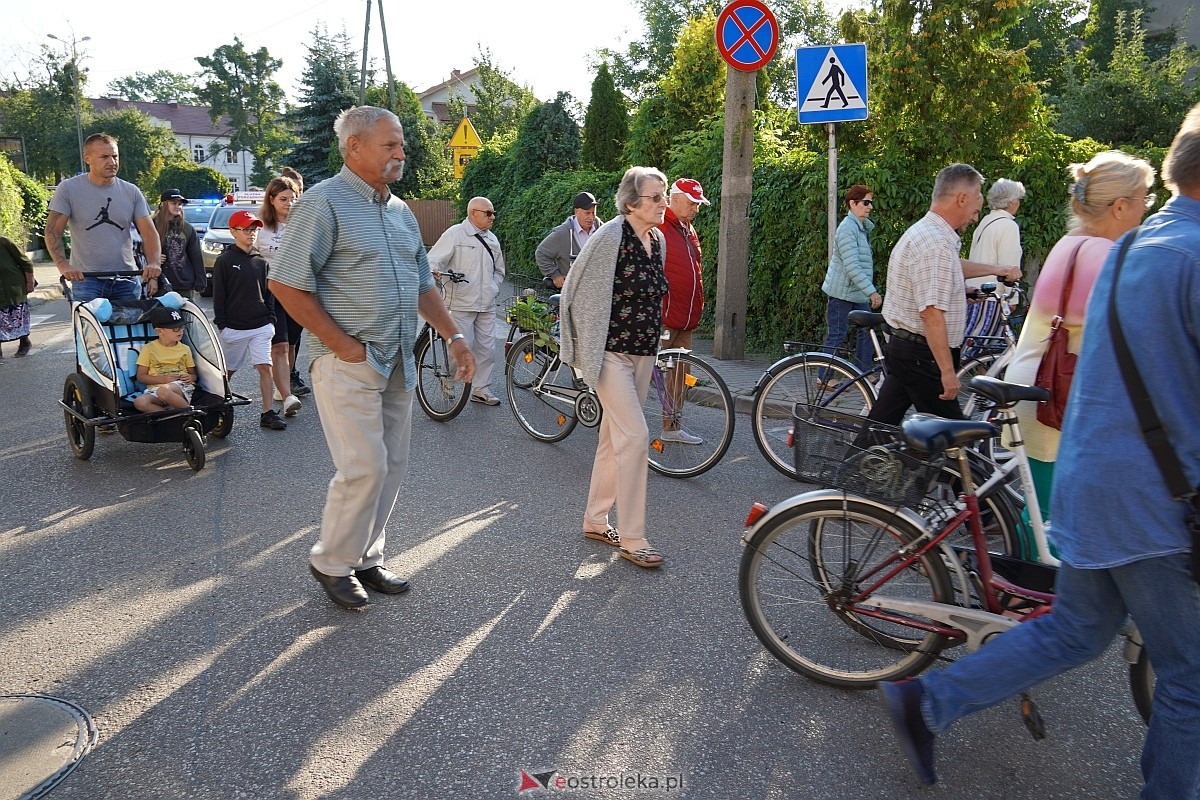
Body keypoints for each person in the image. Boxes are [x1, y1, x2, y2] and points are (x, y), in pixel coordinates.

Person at [880, 103, 1200, 799]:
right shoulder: (1165, 255)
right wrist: (950, 372)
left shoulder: (1119, 252)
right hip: (1144, 490)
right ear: (1118, 204)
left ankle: (928, 702)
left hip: (1098, 463)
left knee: (1076, 632)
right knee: (1190, 677)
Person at [267, 106, 475, 611]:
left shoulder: (400, 211)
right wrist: (341, 344)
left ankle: (365, 556)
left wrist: (453, 335)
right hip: (349, 361)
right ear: (354, 146)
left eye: (401, 144)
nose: (401, 153)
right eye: (391, 145)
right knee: (364, 466)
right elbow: (285, 282)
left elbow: (423, 284)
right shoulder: (322, 203)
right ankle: (331, 560)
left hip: (398, 357)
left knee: (392, 465)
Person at [1004, 152, 1154, 526]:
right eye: (1145, 199)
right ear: (1120, 206)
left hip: (1037, 385)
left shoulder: (1070, 242)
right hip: (1054, 393)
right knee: (1053, 519)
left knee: (1040, 513)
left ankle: (1017, 579)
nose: (1148, 209)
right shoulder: (1103, 256)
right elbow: (1128, 337)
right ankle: (1019, 581)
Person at [560, 166, 670, 570]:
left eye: (664, 195)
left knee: (614, 437)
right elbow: (572, 292)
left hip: (643, 353)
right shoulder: (609, 238)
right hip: (609, 355)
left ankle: (594, 519)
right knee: (636, 437)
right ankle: (633, 537)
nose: (662, 203)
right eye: (655, 197)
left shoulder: (656, 240)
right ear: (631, 204)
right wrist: (577, 351)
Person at [865, 164, 1022, 426]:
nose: (975, 217)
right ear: (961, 198)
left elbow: (950, 268)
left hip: (909, 351)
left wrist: (994, 272)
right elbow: (931, 313)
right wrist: (948, 373)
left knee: (880, 426)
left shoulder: (931, 233)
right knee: (954, 443)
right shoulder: (936, 244)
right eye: (975, 205)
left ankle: (855, 467)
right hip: (922, 355)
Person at [45, 133, 161, 302]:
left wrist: (154, 263)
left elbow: (149, 233)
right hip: (87, 280)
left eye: (115, 156)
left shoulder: (131, 191)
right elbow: (53, 231)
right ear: (88, 158)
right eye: (104, 157)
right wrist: (63, 266)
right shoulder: (69, 189)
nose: (112, 162)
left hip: (127, 277)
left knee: (130, 328)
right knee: (91, 328)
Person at [211, 209, 287, 432]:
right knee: (228, 372)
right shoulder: (224, 261)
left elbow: (269, 293)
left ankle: (267, 412)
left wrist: (270, 319)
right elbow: (219, 295)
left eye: (254, 229)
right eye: (246, 229)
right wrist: (222, 324)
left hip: (261, 325)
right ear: (233, 231)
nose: (251, 233)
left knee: (265, 366)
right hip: (233, 327)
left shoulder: (261, 261)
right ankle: (216, 407)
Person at [427, 196, 505, 405]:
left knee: (488, 350)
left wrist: (493, 288)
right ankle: (447, 376)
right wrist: (434, 270)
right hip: (460, 303)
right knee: (463, 345)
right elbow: (434, 259)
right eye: (488, 213)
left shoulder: (492, 239)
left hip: (486, 304)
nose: (492, 217)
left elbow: (499, 270)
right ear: (473, 213)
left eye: (493, 212)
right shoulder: (455, 234)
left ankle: (481, 389)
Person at [655, 177, 711, 444]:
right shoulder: (660, 227)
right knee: (645, 371)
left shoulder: (688, 228)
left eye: (698, 204)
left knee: (679, 376)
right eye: (692, 202)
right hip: (666, 318)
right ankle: (617, 422)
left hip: (686, 318)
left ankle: (671, 428)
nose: (696, 208)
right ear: (674, 199)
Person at [819, 183, 880, 373]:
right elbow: (852, 266)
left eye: (871, 202)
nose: (870, 206)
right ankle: (824, 377)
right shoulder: (847, 229)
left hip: (856, 293)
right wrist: (872, 292)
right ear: (853, 204)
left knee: (866, 332)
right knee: (837, 334)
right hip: (841, 293)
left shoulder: (860, 228)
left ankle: (863, 373)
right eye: (866, 202)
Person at [257, 176, 305, 416]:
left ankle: (282, 387)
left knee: (293, 343)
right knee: (280, 344)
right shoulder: (261, 227)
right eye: (283, 199)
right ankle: (287, 394)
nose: (289, 203)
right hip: (270, 291)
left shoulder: (302, 225)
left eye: (293, 199)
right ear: (272, 200)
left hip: (297, 290)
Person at [133, 306, 195, 413]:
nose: (180, 331)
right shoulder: (149, 349)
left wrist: (190, 377)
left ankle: (190, 414)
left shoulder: (185, 349)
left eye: (181, 327)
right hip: (156, 389)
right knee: (140, 402)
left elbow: (193, 375)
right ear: (159, 331)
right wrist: (163, 380)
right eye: (175, 328)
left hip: (180, 386)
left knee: (164, 391)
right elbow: (141, 377)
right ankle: (170, 419)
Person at [535, 191, 603, 289]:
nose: (591, 217)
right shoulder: (562, 233)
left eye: (593, 213)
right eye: (587, 213)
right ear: (576, 211)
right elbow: (541, 253)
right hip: (572, 292)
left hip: (598, 291)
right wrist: (555, 275)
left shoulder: (602, 230)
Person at [152, 189, 205, 300]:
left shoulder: (187, 228)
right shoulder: (151, 225)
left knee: (185, 316)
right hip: (159, 284)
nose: (178, 206)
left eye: (180, 204)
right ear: (163, 204)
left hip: (184, 284)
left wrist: (200, 281)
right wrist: (152, 258)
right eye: (173, 203)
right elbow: (138, 249)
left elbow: (196, 256)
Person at [0, 235, 35, 359]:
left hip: (13, 289)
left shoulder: (4, 242)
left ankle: (24, 342)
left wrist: (29, 283)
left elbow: (26, 263)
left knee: (17, 317)